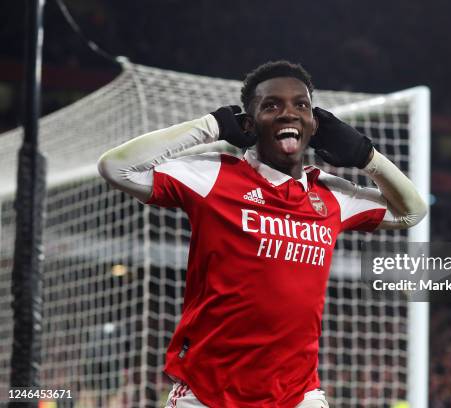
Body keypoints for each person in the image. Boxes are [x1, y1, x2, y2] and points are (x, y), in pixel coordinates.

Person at [97, 60, 427, 408]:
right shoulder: (214, 175)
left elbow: (412, 212)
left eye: (301, 105)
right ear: (249, 124)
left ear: (314, 124)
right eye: (272, 105)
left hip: (299, 396)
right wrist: (211, 125)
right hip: (206, 395)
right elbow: (116, 167)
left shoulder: (331, 195)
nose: (289, 113)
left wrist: (365, 155)